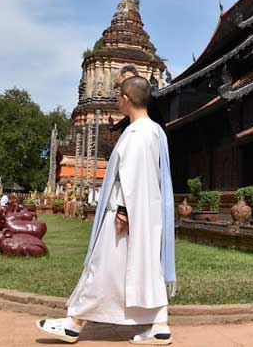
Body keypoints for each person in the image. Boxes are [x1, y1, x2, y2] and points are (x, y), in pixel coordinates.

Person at [36, 76, 176, 345]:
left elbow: (131, 176)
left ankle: (74, 322)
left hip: (126, 212)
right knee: (146, 267)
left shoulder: (137, 133)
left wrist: (123, 210)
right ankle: (159, 324)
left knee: (102, 267)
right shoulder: (153, 131)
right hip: (146, 214)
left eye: (118, 96)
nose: (116, 100)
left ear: (125, 99)